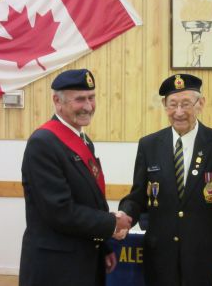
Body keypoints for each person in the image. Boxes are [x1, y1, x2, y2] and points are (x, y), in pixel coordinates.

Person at [118, 73, 212, 286]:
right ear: (164, 106)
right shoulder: (149, 145)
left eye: (186, 104)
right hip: (160, 262)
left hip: (206, 264)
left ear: (200, 103)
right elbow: (138, 195)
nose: (179, 112)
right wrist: (125, 215)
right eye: (172, 104)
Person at [19, 69, 132, 286]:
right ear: (56, 101)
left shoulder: (84, 140)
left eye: (91, 97)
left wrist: (103, 247)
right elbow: (59, 211)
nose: (88, 106)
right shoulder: (43, 143)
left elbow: (90, 200)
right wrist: (112, 223)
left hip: (84, 258)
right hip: (57, 267)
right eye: (80, 99)